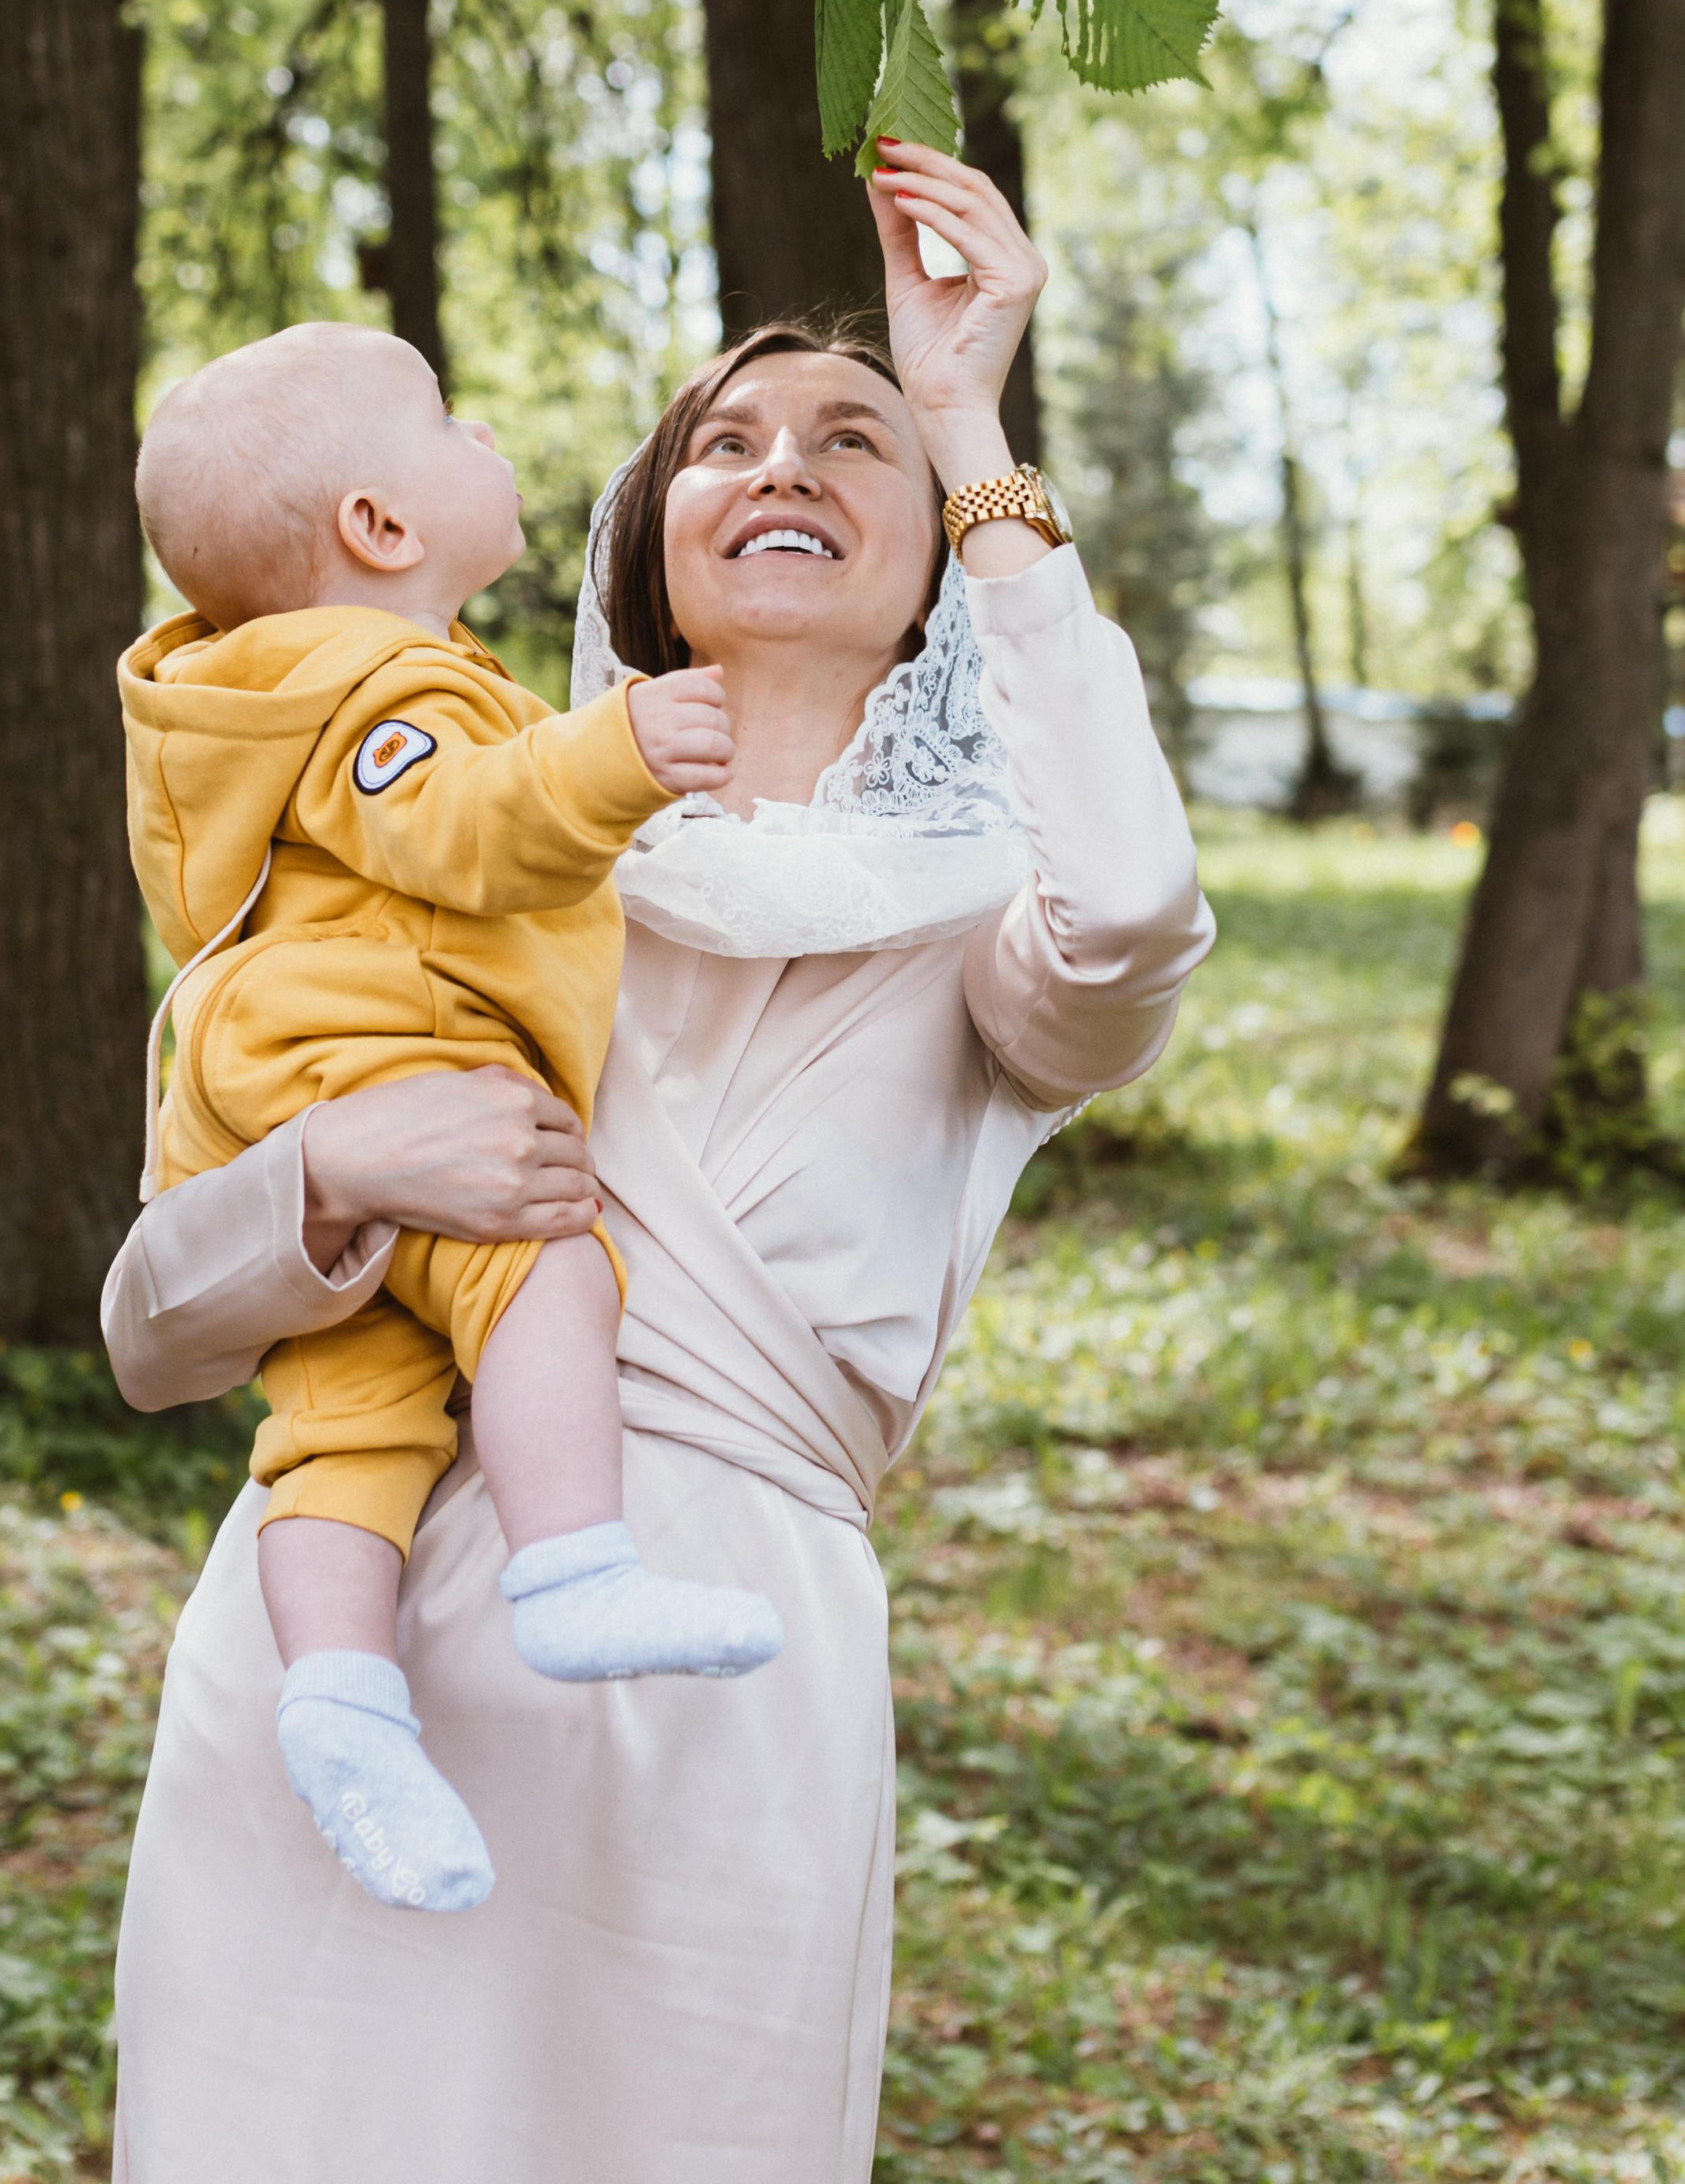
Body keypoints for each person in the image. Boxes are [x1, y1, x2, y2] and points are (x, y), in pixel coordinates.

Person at [102, 143, 1216, 2184]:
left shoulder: (996, 941)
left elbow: (1138, 910)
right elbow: (154, 1328)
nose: (786, 463)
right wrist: (336, 1171)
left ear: (938, 556)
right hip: (349, 1655)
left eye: (851, 442)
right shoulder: (450, 858)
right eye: (729, 441)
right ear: (647, 543)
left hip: (724, 1700)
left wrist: (969, 413)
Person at [121, 324, 783, 1911]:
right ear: (381, 531)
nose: (482, 428)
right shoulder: (388, 686)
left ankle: (339, 1698)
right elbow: (466, 831)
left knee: (343, 1426)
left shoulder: (276, 692)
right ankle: (577, 1565)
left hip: (289, 1068)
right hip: (381, 1049)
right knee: (539, 1254)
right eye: (444, 419)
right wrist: (611, 755)